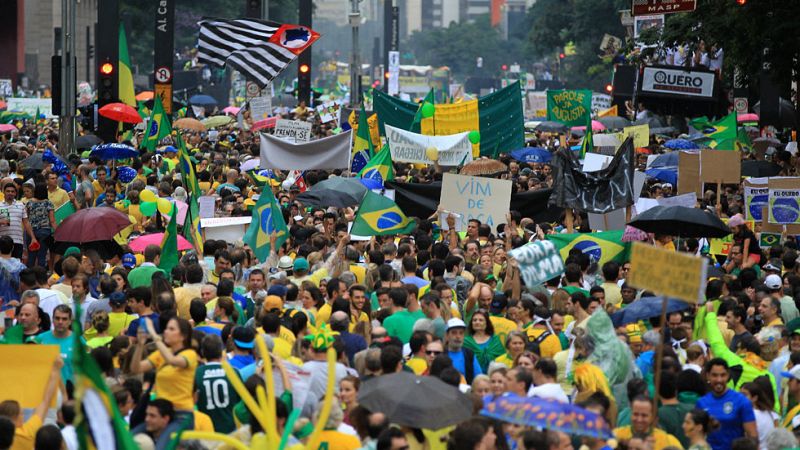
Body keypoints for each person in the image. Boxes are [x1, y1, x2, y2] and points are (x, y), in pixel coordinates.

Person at [130, 317, 198, 428]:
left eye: (171, 329)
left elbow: (172, 360)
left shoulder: (190, 354)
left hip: (181, 415)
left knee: (163, 445)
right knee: (133, 438)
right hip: (160, 414)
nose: (166, 331)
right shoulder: (161, 353)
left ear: (183, 336)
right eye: (166, 328)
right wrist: (140, 345)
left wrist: (153, 334)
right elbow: (136, 369)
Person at [696, 358, 758, 450]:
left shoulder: (741, 401)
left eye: (723, 375)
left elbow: (753, 436)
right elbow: (697, 436)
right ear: (708, 376)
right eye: (714, 375)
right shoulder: (701, 403)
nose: (719, 380)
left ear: (728, 375)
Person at [0, 357, 61, 450]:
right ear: (15, 418)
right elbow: (45, 401)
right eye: (21, 413)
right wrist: (55, 371)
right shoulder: (27, 434)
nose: (23, 416)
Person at [195, 334, 239, 434]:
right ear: (221, 352)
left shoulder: (197, 374)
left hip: (206, 431)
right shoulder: (233, 373)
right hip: (231, 431)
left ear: (203, 352)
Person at [613, 396, 683, 449]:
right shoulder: (616, 435)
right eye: (635, 414)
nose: (639, 419)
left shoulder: (668, 441)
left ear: (652, 417)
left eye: (644, 415)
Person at [445, 318, 482, 384]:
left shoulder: (469, 354)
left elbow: (478, 378)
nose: (458, 336)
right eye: (454, 333)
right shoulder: (441, 354)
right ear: (447, 336)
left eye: (461, 333)